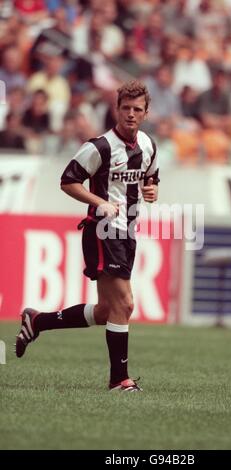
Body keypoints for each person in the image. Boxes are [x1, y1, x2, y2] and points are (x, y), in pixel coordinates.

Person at [15, 80, 159, 392]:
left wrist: (151, 191)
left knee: (108, 310)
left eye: (137, 109)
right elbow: (68, 181)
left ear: (146, 113)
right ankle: (119, 380)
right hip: (102, 231)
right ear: (116, 110)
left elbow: (151, 181)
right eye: (125, 108)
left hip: (129, 232)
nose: (131, 114)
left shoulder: (148, 145)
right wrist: (100, 203)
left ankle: (37, 321)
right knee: (126, 302)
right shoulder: (99, 147)